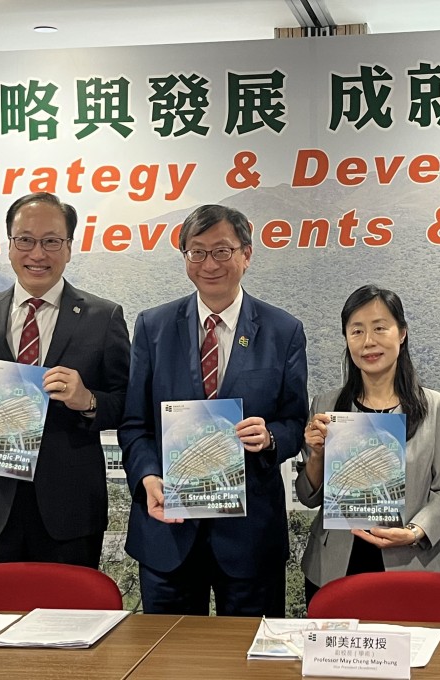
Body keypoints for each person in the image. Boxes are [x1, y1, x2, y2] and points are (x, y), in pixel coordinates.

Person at [119, 203, 308, 616]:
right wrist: (147, 477)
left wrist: (270, 437)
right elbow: (134, 424)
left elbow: (296, 422)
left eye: (222, 251)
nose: (209, 264)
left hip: (249, 536)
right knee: (168, 651)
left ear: (246, 254)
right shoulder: (152, 327)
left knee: (250, 653)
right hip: (168, 530)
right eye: (197, 251)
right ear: (185, 256)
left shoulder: (283, 331)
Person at [0, 192, 130, 569]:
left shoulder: (103, 317)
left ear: (69, 248)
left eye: (51, 241)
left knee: (69, 609)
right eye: (25, 240)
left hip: (70, 513)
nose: (37, 253)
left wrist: (88, 400)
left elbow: (127, 403)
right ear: (10, 245)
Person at [297, 285, 440, 607]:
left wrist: (415, 531)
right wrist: (317, 456)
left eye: (379, 328)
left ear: (401, 333)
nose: (368, 342)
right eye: (357, 331)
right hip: (333, 567)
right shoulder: (326, 405)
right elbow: (308, 496)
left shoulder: (438, 408)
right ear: (346, 339)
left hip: (413, 564)